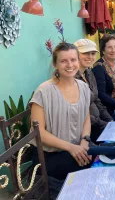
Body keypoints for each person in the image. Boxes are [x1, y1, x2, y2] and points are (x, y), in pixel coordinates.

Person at [31, 42, 93, 181]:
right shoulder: (44, 91)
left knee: (106, 156)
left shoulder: (83, 87)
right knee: (93, 167)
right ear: (55, 64)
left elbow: (86, 118)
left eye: (73, 60)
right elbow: (38, 132)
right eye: (63, 61)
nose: (70, 65)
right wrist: (71, 148)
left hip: (77, 147)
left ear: (78, 61)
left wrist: (85, 141)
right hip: (49, 156)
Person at [74, 39, 113, 142]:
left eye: (92, 53)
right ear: (76, 55)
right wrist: (104, 124)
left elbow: (96, 100)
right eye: (85, 53)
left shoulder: (89, 72)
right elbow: (78, 114)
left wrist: (109, 120)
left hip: (96, 123)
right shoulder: (71, 79)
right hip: (83, 131)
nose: (90, 57)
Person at [92, 34, 115, 116]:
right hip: (112, 110)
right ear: (103, 50)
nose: (113, 50)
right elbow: (101, 95)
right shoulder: (99, 68)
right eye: (109, 47)